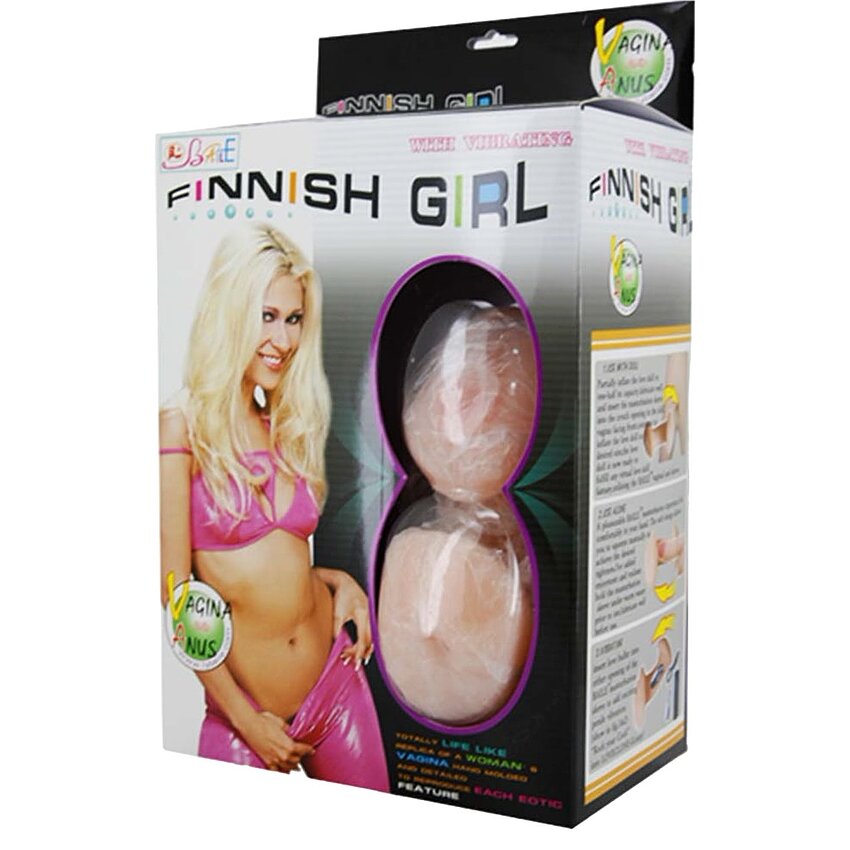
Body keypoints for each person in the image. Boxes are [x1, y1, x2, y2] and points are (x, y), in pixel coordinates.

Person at [159, 224, 388, 790]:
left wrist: (337, 581)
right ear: (231, 311)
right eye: (267, 316)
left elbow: (279, 563)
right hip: (245, 716)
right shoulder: (180, 429)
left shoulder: (286, 424)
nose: (282, 340)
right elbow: (177, 598)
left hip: (336, 684)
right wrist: (246, 723)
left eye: (293, 319)